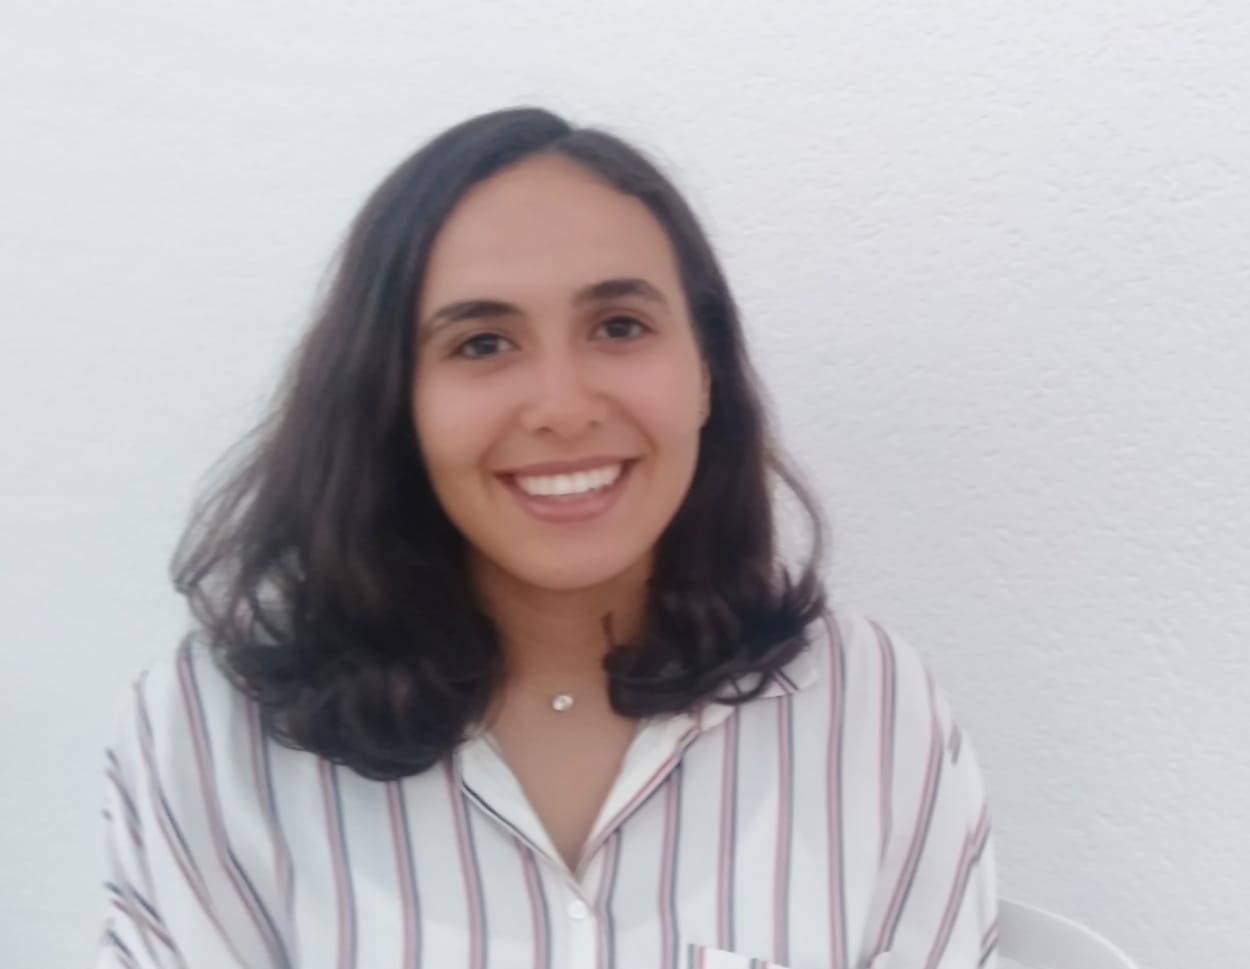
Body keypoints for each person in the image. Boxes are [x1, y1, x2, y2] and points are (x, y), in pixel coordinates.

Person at [96, 107, 998, 969]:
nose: (563, 407)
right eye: (483, 343)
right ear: (392, 399)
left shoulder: (866, 707)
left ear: (706, 373)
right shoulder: (210, 736)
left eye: (620, 326)